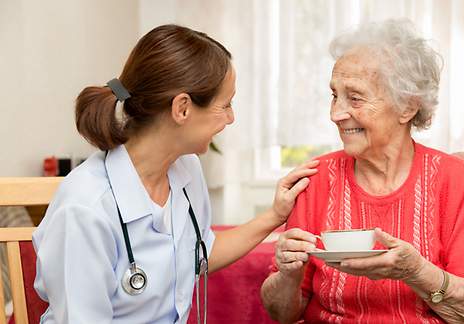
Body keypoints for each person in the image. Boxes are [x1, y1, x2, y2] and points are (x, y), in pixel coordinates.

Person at [32, 24, 318, 323]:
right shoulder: (85, 209)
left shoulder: (185, 170)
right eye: (226, 104)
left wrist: (275, 214)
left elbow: (199, 252)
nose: (231, 118)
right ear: (182, 108)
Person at [261, 19, 464, 323]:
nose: (335, 114)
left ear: (407, 107)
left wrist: (417, 272)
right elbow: (282, 314)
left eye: (355, 97)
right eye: (334, 95)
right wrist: (287, 274)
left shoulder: (453, 178)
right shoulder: (317, 178)